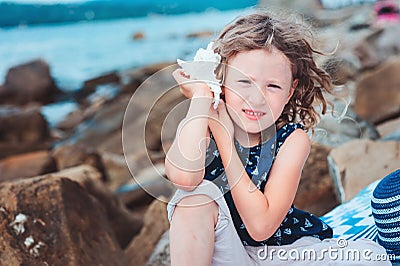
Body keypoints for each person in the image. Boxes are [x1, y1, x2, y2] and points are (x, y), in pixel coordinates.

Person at [165, 11, 390, 265]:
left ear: (290, 91)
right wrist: (201, 98)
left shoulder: (291, 140)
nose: (257, 98)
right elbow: (184, 178)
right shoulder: (202, 124)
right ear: (222, 79)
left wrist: (225, 139)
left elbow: (261, 227)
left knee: (368, 256)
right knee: (194, 198)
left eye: (273, 86)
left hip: (282, 254)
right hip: (229, 253)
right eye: (244, 82)